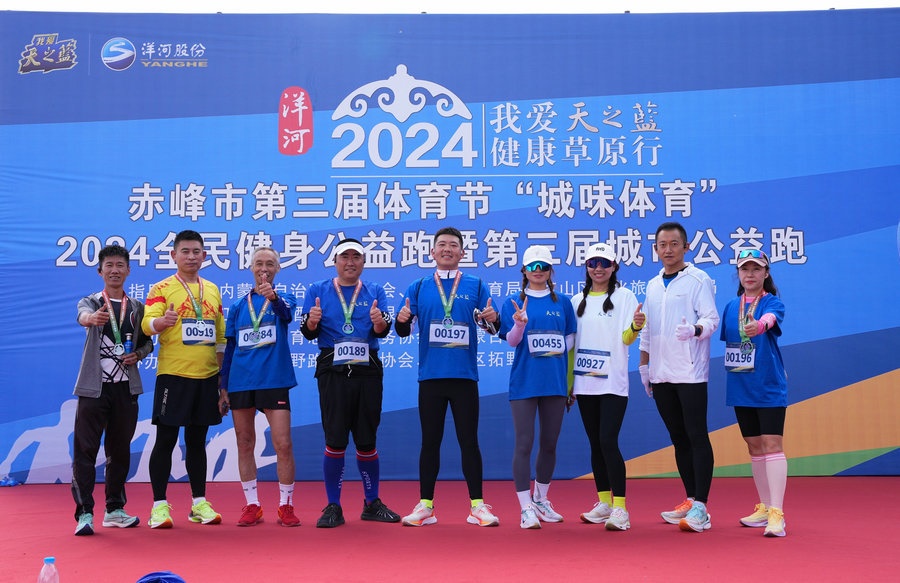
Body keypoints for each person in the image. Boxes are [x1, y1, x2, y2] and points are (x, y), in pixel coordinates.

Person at [395, 226, 500, 527]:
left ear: (462, 252)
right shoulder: (418, 286)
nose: (447, 249)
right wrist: (402, 320)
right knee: (430, 442)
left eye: (453, 245)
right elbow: (402, 330)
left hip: (464, 377)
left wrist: (493, 319)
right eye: (441, 244)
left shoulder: (476, 285)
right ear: (432, 252)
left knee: (469, 442)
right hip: (431, 377)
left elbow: (493, 327)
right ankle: (426, 506)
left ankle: (477, 506)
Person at [300, 238, 401, 528]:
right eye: (345, 257)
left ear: (363, 262)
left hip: (367, 371)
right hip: (332, 371)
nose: (350, 262)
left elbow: (382, 331)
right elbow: (307, 332)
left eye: (356, 257)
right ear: (335, 261)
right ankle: (333, 505)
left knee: (367, 441)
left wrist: (379, 322)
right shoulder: (317, 290)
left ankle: (372, 503)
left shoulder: (375, 291)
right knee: (335, 440)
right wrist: (312, 321)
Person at [141, 230, 228, 529]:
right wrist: (160, 322)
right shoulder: (162, 287)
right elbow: (146, 323)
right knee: (166, 439)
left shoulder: (213, 289)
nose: (191, 257)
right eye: (185, 251)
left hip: (206, 377)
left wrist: (221, 381)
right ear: (173, 255)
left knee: (197, 442)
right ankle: (158, 507)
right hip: (174, 375)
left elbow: (220, 338)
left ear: (205, 255)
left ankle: (199, 503)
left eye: (196, 252)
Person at [638, 221, 719, 533]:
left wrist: (695, 330)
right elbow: (646, 330)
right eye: (662, 245)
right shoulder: (652, 285)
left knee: (696, 435)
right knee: (678, 438)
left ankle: (702, 507)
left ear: (686, 247)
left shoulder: (698, 279)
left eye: (674, 244)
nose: (668, 250)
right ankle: (690, 498)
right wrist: (644, 367)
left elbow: (711, 319)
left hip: (690, 372)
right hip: (661, 374)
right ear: (656, 249)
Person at [71, 244, 153, 536]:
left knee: (119, 451)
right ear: (100, 271)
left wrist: (138, 354)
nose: (115, 270)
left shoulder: (137, 308)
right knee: (85, 451)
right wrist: (91, 319)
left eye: (120, 265)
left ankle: (114, 509)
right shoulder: (92, 302)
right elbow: (82, 315)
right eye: (109, 265)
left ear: (128, 270)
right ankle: (84, 513)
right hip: (93, 389)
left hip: (125, 390)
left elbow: (147, 341)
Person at [219, 247, 299, 527]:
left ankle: (286, 505)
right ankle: (252, 504)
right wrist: (223, 386)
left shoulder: (284, 298)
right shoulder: (239, 306)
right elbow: (230, 347)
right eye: (259, 263)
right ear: (251, 268)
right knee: (244, 443)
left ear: (277, 269)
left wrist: (272, 297)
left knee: (283, 444)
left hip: (274, 380)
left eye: (270, 264)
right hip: (241, 382)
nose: (264, 268)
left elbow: (286, 315)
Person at [498, 245, 577, 529]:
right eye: (533, 267)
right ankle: (525, 508)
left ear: (550, 270)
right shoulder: (513, 302)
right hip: (525, 383)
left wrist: (555, 354)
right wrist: (520, 325)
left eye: (543, 266)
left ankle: (541, 499)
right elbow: (511, 341)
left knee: (550, 443)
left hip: (554, 383)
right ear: (524, 271)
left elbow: (570, 339)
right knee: (524, 443)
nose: (538, 271)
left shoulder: (563, 302)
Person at [570, 242, 645, 532]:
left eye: (604, 263)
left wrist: (636, 326)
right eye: (593, 263)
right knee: (595, 443)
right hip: (584, 383)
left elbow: (626, 339)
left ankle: (620, 508)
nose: (598, 268)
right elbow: (571, 346)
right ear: (586, 267)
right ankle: (603, 503)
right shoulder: (576, 300)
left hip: (612, 383)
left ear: (614, 267)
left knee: (607, 441)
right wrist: (569, 385)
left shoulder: (625, 297)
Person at [720, 249, 788, 537]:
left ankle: (777, 514)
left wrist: (759, 325)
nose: (750, 274)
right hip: (740, 384)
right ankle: (764, 507)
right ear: (738, 273)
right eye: (745, 269)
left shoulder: (772, 302)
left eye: (756, 269)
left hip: (768, 384)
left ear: (766, 273)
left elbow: (770, 319)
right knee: (754, 446)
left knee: (772, 443)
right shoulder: (730, 307)